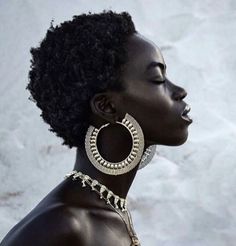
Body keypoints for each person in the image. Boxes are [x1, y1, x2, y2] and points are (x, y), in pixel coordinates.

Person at [0, 10, 192, 246]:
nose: (180, 91)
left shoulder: (109, 210)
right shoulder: (62, 225)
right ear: (107, 106)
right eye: (157, 79)